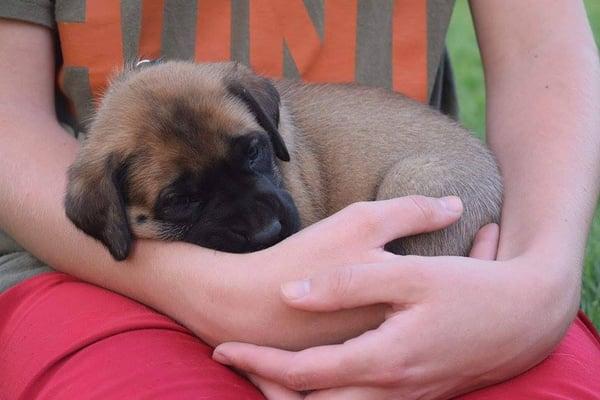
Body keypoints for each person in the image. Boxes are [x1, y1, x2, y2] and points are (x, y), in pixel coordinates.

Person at [0, 1, 599, 399]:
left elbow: (542, 50)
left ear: (266, 118)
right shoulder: (96, 191)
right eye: (184, 200)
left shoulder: (256, 110)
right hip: (101, 289)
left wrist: (542, 281)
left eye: (254, 156)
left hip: (439, 249)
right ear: (108, 211)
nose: (259, 222)